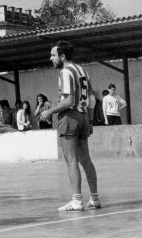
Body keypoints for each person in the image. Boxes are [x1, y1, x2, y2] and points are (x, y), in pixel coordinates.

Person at [38, 40, 101, 212]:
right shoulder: (83, 71)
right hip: (82, 116)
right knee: (85, 159)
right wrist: (89, 120)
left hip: (70, 117)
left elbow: (69, 100)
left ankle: (76, 200)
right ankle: (94, 198)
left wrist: (49, 112)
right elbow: (92, 99)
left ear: (62, 56)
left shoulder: (65, 72)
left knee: (71, 159)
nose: (50, 58)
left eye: (53, 55)